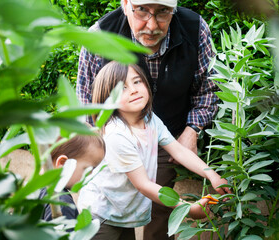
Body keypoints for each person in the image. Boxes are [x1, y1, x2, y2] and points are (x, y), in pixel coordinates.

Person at [76, 0, 219, 239]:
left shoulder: (194, 28)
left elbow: (210, 90)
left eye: (163, 12)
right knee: (119, 221)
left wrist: (195, 136)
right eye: (142, 10)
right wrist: (188, 208)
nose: (152, 25)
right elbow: (85, 103)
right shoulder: (100, 35)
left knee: (159, 214)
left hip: (165, 131)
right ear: (125, 4)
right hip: (100, 214)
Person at [77, 61, 230, 240]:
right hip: (100, 216)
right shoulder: (116, 135)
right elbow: (143, 184)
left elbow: (178, 151)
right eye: (122, 88)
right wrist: (186, 208)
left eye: (137, 81)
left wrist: (212, 175)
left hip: (122, 214)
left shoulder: (150, 119)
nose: (133, 90)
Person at [39, 133, 105, 221]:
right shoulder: (62, 203)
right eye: (88, 169)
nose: (91, 175)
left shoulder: (36, 188)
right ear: (63, 164)